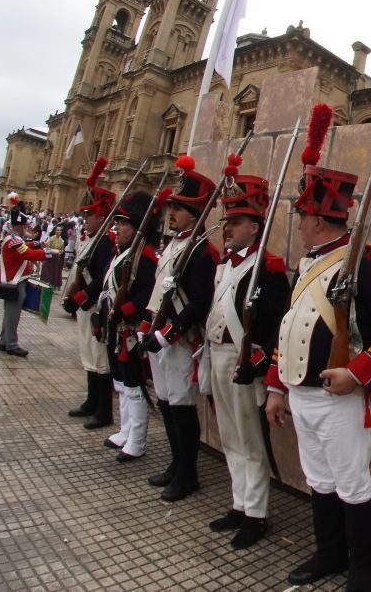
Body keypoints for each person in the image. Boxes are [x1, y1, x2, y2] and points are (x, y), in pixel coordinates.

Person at [266, 103, 371, 592]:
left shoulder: (367, 262)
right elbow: (288, 330)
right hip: (301, 393)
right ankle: (329, 555)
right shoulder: (308, 263)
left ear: (316, 218)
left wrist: (357, 372)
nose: (298, 221)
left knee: (353, 485)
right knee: (319, 480)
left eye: (302, 214)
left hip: (342, 396)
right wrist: (276, 388)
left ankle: (364, 574)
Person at [203, 162, 290, 549]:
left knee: (251, 441)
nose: (228, 228)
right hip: (217, 358)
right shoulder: (224, 268)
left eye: (236, 222)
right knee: (230, 437)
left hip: (245, 365)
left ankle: (256, 512)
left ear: (255, 227)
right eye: (227, 221)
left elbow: (277, 329)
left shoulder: (267, 268)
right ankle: (239, 503)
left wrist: (256, 364)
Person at [142, 156, 218, 502]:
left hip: (180, 341)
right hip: (160, 339)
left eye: (180, 208)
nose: (172, 213)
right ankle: (176, 464)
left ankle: (187, 473)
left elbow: (200, 301)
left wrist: (167, 334)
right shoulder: (174, 245)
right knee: (167, 404)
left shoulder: (203, 251)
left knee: (182, 407)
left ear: (195, 213)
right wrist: (148, 328)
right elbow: (159, 293)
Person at [100, 190, 159, 462]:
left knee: (134, 385)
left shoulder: (144, 256)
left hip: (129, 329)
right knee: (121, 381)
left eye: (124, 224)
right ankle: (125, 430)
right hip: (116, 327)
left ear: (136, 229)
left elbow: (147, 293)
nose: (118, 227)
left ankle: (137, 440)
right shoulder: (122, 253)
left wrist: (122, 311)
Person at [61, 157, 117, 431]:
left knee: (100, 360)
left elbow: (103, 279)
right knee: (88, 357)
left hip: (97, 307)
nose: (85, 220)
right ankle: (91, 401)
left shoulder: (107, 242)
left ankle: (103, 410)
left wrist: (81, 298)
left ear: (102, 216)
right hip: (86, 307)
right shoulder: (92, 239)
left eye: (89, 215)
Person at [0, 205, 46, 357]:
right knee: (13, 315)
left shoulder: (15, 239)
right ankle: (11, 344)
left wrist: (38, 243)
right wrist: (49, 253)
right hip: (14, 282)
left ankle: (4, 341)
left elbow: (26, 245)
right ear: (20, 225)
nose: (28, 227)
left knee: (9, 314)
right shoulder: (14, 241)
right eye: (25, 225)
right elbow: (28, 253)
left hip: (14, 282)